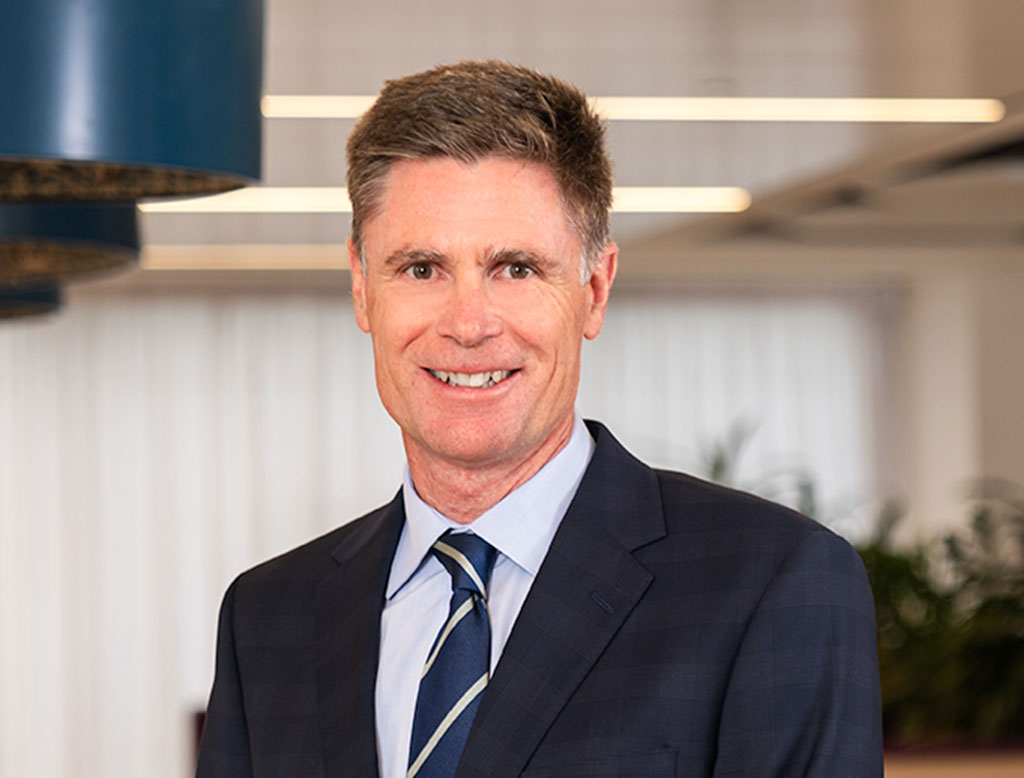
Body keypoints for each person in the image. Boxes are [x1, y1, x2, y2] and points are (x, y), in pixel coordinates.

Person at [195, 61, 882, 778]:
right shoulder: (267, 619)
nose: (467, 325)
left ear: (594, 287)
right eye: (422, 268)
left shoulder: (771, 583)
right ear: (362, 286)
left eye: (515, 268)